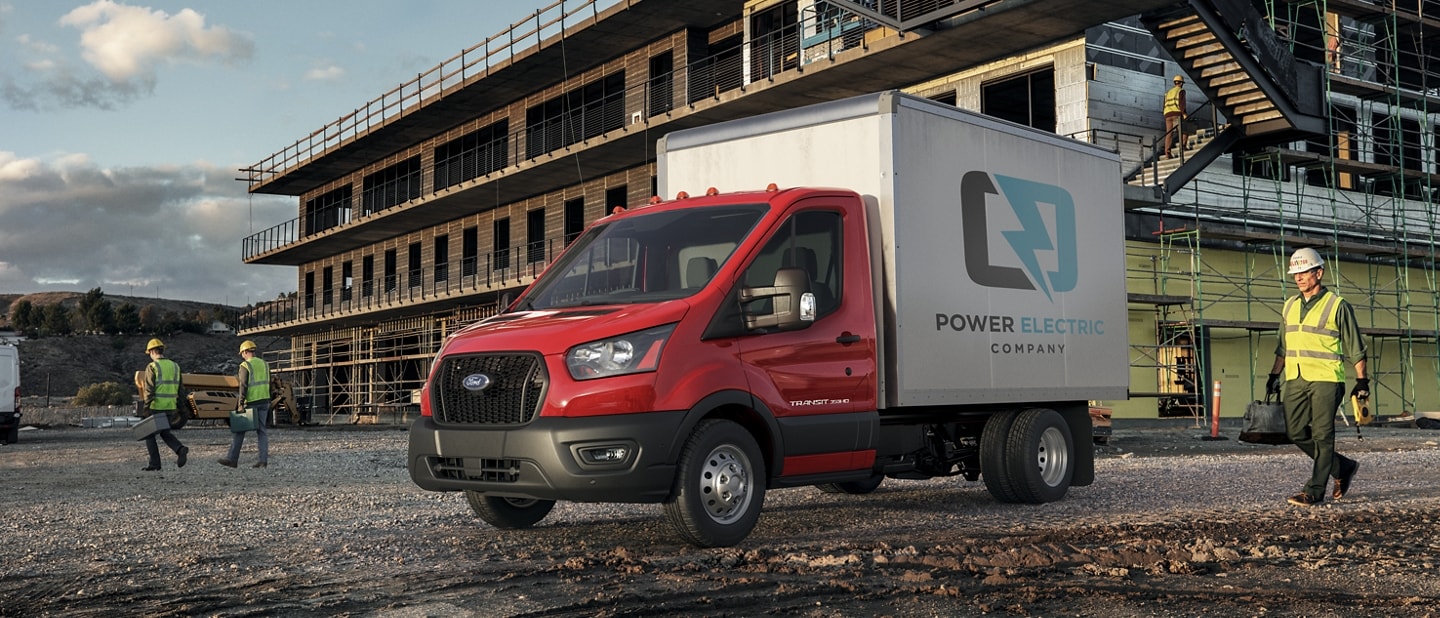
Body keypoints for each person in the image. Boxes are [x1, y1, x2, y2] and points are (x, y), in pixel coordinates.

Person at [1266, 247, 1365, 507]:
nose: (1298, 278)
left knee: (1323, 435)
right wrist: (1274, 375)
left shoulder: (1337, 305)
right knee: (1295, 431)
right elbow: (1283, 347)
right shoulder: (1289, 306)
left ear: (1318, 272)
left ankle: (1314, 490)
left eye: (1303, 272)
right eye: (1295, 273)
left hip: (1327, 379)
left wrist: (1362, 381)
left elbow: (1355, 346)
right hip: (1296, 378)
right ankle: (1342, 467)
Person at [219, 340, 270, 469]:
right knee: (262, 432)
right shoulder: (265, 364)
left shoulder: (245, 365)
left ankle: (232, 459)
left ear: (245, 352)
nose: (242, 356)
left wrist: (240, 403)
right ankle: (262, 460)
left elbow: (243, 386)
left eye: (242, 353)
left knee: (240, 431)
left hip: (251, 401)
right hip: (265, 401)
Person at [140, 338, 189, 472]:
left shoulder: (152, 367)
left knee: (149, 435)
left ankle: (155, 464)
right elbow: (181, 389)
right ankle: (180, 449)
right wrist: (181, 408)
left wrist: (145, 408)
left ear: (151, 351)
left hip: (157, 407)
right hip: (171, 407)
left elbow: (149, 390)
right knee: (164, 432)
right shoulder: (175, 366)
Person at [1163, 75, 1187, 159]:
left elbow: (1164, 104)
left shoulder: (1168, 92)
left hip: (1167, 114)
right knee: (1184, 130)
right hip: (1176, 114)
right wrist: (1184, 113)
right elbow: (1181, 103)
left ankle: (1167, 153)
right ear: (1181, 83)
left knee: (1169, 134)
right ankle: (1183, 147)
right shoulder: (1181, 91)